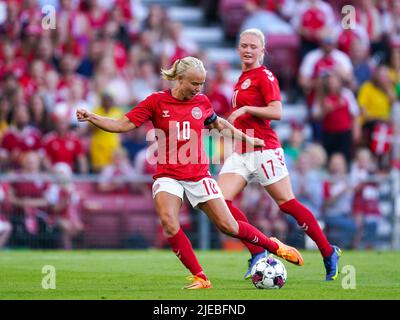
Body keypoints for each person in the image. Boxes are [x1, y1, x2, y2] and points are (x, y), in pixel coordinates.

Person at [76, 56, 303, 289]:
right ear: (180, 79)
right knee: (169, 222)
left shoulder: (203, 102)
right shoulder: (156, 102)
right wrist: (93, 118)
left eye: (201, 84)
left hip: (199, 175)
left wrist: (247, 138)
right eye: (194, 83)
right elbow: (122, 125)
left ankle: (274, 246)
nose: (198, 88)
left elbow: (219, 125)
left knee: (229, 226)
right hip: (168, 175)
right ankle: (200, 277)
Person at [217, 28, 340, 281]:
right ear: (238, 49)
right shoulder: (242, 78)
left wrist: (244, 110)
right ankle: (257, 252)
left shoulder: (265, 76)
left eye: (253, 46)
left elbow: (277, 111)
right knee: (219, 202)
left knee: (287, 205)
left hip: (264, 149)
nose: (248, 50)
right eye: (244, 46)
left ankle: (328, 252)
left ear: (262, 50)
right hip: (242, 151)